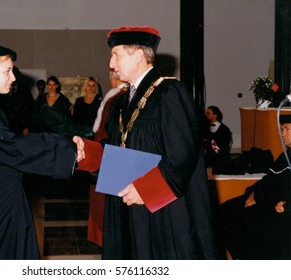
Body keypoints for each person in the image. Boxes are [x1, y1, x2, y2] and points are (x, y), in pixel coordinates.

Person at [0, 43, 86, 260]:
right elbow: (14, 147)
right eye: (7, 71)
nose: (13, 78)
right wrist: (66, 148)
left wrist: (63, 141)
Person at [100, 26, 218, 259]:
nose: (111, 64)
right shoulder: (122, 101)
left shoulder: (169, 92)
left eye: (117, 55)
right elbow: (119, 145)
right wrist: (85, 152)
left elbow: (182, 154)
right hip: (128, 204)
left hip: (161, 209)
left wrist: (145, 189)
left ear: (138, 56)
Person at [217, 114, 291, 260]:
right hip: (267, 198)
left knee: (249, 221)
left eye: (287, 129)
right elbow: (270, 179)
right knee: (225, 210)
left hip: (280, 204)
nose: (283, 134)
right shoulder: (285, 156)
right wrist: (253, 193)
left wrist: (259, 197)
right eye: (282, 129)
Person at [87, 70, 128, 246]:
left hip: (108, 158)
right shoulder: (124, 97)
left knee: (105, 207)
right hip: (119, 157)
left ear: (115, 77)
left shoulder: (113, 99)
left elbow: (104, 132)